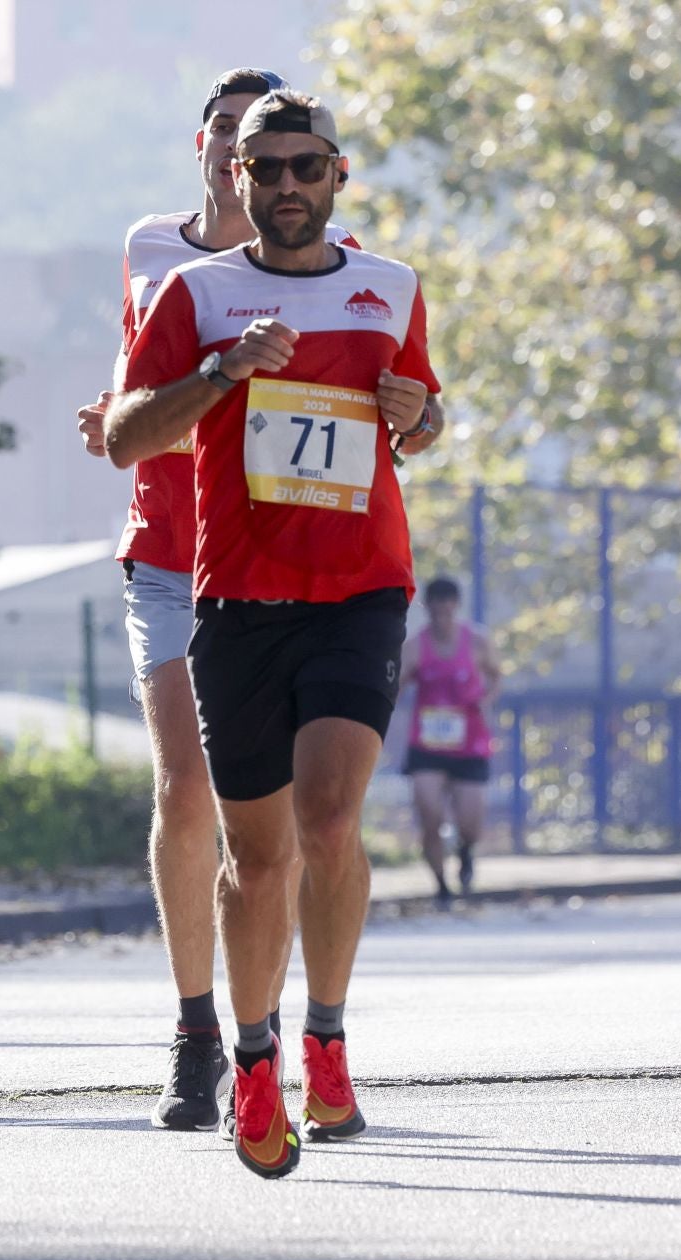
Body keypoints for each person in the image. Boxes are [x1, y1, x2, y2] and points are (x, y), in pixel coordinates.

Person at [107, 90, 442, 1177]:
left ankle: (328, 1038)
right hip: (238, 600)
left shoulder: (388, 288)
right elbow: (123, 435)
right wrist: (220, 372)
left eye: (308, 167)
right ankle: (251, 1057)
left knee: (333, 814)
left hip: (358, 589)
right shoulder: (196, 293)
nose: (288, 186)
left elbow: (424, 417)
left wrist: (421, 417)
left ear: (338, 174)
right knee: (255, 858)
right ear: (235, 177)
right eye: (268, 169)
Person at [77, 68, 365, 1135]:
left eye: (285, 154)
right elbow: (131, 373)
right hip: (171, 549)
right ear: (211, 150)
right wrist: (115, 412)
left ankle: (285, 1025)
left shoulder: (331, 268)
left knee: (293, 819)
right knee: (188, 785)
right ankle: (199, 1030)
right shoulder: (157, 251)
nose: (256, 166)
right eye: (236, 142)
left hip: (288, 564)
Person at [398, 577, 499, 904]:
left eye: (448, 604)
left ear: (456, 605)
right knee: (430, 814)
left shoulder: (478, 642)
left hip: (469, 743)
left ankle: (466, 850)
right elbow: (398, 683)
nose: (442, 611)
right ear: (428, 607)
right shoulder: (414, 646)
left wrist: (486, 699)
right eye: (436, 605)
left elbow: (497, 675)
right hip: (428, 745)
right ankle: (441, 885)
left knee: (470, 821)